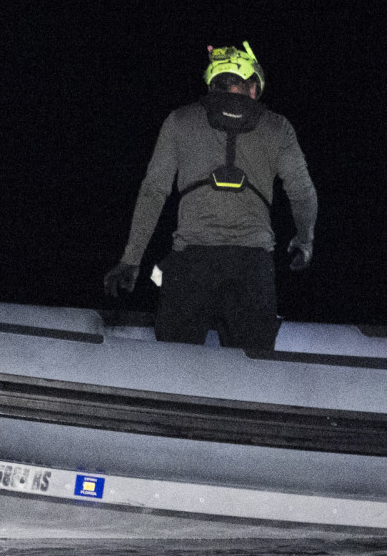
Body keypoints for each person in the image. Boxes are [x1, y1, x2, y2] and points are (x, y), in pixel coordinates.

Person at [105, 42, 317, 350]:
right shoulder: (278, 127)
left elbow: (154, 191)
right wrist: (305, 239)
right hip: (253, 266)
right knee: (253, 372)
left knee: (175, 365)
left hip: (190, 265)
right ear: (253, 87)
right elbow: (303, 193)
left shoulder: (179, 120)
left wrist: (131, 258)